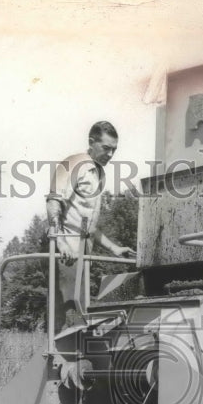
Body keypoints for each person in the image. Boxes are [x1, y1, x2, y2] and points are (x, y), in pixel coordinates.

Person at [46, 121, 135, 331]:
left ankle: (77, 361)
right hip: (65, 252)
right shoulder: (74, 164)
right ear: (91, 142)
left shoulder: (99, 174)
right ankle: (57, 361)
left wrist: (114, 249)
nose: (111, 154)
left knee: (81, 314)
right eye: (106, 148)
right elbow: (53, 202)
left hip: (83, 255)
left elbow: (90, 227)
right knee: (68, 316)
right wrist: (60, 243)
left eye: (114, 149)